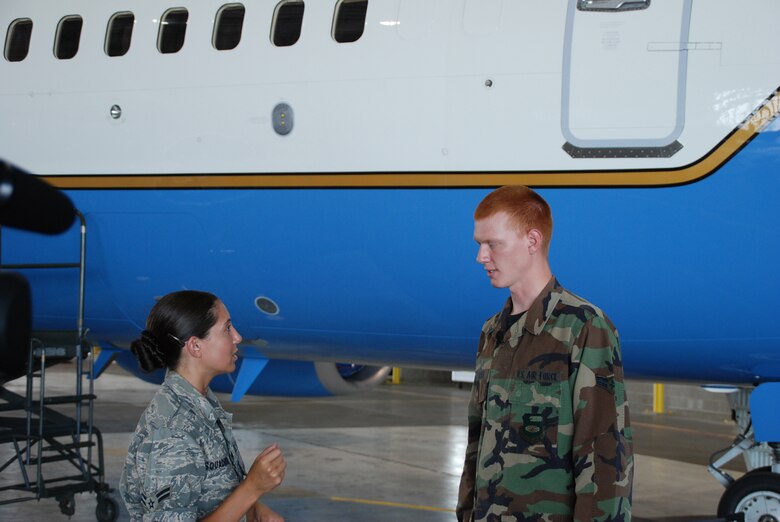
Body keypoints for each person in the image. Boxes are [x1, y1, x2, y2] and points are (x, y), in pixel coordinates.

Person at [457, 186, 633, 522]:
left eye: (492, 244)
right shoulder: (492, 331)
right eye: (479, 244)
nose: (481, 256)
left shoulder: (584, 327)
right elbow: (476, 445)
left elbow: (604, 456)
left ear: (532, 241)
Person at [120, 290, 286, 522]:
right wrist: (252, 488)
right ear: (195, 346)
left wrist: (253, 509)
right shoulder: (172, 432)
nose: (237, 337)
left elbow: (213, 491)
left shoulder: (200, 405)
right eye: (227, 329)